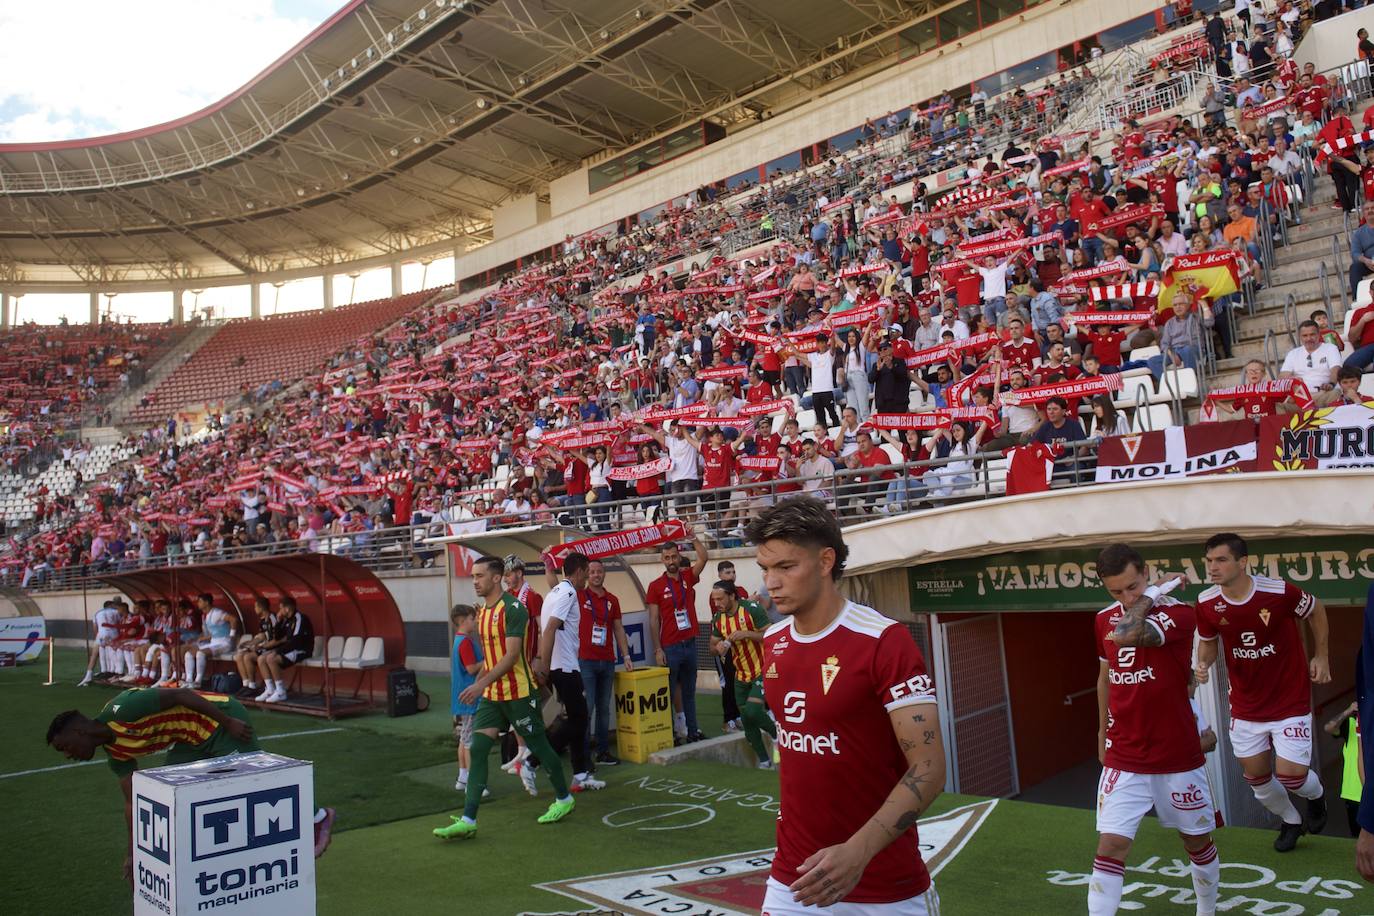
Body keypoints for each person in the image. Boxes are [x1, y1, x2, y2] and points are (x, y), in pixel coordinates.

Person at [750, 497, 946, 912]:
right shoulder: (773, 641)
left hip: (884, 886)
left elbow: (928, 769)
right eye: (765, 569)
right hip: (794, 878)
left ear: (825, 561)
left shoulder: (884, 642)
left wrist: (858, 852)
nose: (772, 582)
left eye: (786, 567)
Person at [45, 687, 336, 882]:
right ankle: (198, 860)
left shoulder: (123, 709)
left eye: (65, 747)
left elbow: (182, 695)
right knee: (169, 795)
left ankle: (318, 817)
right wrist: (134, 854)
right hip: (190, 740)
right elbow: (132, 802)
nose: (68, 755)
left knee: (255, 778)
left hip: (221, 721)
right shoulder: (116, 754)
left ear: (80, 731)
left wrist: (228, 721)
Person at [1090, 544, 1219, 916]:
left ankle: (1206, 910)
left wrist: (1152, 595)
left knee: (1195, 841)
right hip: (1125, 754)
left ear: (1146, 573)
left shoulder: (1179, 614)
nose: (1126, 597)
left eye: (1133, 587)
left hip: (1176, 753)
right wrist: (1102, 735)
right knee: (1111, 844)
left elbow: (1129, 633)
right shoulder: (1101, 620)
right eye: (1116, 591)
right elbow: (1105, 679)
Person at [1194, 532, 1331, 851]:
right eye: (1209, 561)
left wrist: (1321, 655)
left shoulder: (1278, 591)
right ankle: (1291, 820)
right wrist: (1203, 664)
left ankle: (1316, 797)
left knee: (1292, 776)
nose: (1213, 567)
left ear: (1243, 562)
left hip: (1289, 701)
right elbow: (1208, 642)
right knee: (1256, 778)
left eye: (1221, 560)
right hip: (1245, 706)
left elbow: (1315, 609)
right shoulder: (1206, 602)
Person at [433, 556, 575, 840]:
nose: (474, 581)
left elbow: (511, 657)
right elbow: (491, 656)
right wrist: (479, 682)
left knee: (540, 748)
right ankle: (468, 820)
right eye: (473, 576)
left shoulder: (514, 609)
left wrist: (479, 683)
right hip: (492, 695)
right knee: (478, 749)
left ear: (497, 578)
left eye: (479, 576)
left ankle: (563, 798)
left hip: (519, 693)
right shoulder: (483, 612)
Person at [534, 551, 603, 792]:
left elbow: (552, 625)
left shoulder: (556, 591)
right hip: (564, 667)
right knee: (578, 721)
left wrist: (547, 565)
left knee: (576, 720)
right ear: (580, 571)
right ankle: (532, 762)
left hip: (561, 666)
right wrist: (543, 665)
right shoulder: (570, 592)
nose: (588, 577)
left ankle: (580, 775)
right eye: (587, 572)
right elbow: (551, 628)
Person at [646, 531, 709, 744]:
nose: (671, 561)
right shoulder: (655, 586)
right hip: (670, 646)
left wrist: (692, 538)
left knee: (690, 691)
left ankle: (693, 731)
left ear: (678, 555)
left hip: (690, 643)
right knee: (670, 692)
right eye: (667, 558)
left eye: (674, 556)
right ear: (662, 559)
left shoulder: (687, 577)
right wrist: (657, 649)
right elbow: (654, 620)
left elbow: (704, 558)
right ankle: (671, 732)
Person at [709, 582, 776, 767]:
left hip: (761, 670)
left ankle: (777, 736)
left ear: (732, 596)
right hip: (740, 675)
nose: (716, 603)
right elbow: (712, 647)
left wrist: (747, 634)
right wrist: (718, 648)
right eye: (714, 599)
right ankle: (765, 761)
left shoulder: (752, 609)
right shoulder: (718, 619)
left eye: (720, 598)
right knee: (747, 722)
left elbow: (771, 634)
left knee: (754, 711)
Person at [578, 557, 632, 766]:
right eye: (592, 572)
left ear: (604, 573)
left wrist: (625, 655)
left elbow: (618, 629)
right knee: (587, 708)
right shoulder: (579, 595)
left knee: (604, 709)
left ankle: (602, 752)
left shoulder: (612, 599)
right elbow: (554, 586)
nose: (596, 575)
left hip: (607, 660)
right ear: (586, 574)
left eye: (599, 571)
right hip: (585, 661)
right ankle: (582, 755)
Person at [450, 604, 485, 795]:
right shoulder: (465, 642)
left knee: (464, 738)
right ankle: (473, 782)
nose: (475, 622)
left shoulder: (460, 640)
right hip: (470, 696)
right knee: (470, 741)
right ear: (463, 621)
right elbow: (472, 668)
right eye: (472, 619)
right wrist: (488, 661)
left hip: (463, 696)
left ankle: (463, 777)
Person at [254, 596, 314, 704]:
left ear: (287, 609)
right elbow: (277, 637)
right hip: (290, 648)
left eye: (281, 608)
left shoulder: (299, 618)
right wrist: (278, 621)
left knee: (271, 658)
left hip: (301, 650)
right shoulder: (286, 620)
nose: (279, 611)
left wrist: (277, 651)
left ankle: (281, 691)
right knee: (261, 659)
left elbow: (296, 641)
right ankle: (270, 689)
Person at [1323, 700, 1362, 837]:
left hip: (1366, 792)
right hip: (1354, 795)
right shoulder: (1351, 723)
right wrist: (1348, 710)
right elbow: (1329, 727)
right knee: (1358, 838)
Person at [186, 592, 237, 690]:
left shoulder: (217, 613)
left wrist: (232, 636)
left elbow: (233, 619)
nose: (198, 603)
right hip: (214, 642)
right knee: (189, 653)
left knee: (200, 653)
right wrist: (199, 639)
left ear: (207, 602)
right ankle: (189, 680)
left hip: (224, 643)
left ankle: (197, 682)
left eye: (200, 601)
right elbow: (214, 633)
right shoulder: (205, 615)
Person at [1280, 320, 1343, 394]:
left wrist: (1331, 384)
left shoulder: (1330, 348)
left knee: (1334, 393)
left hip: (1324, 392)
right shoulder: (1293, 353)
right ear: (1300, 337)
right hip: (1301, 396)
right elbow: (1282, 375)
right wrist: (1292, 379)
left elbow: (1336, 370)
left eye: (1312, 334)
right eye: (1305, 336)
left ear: (1318, 334)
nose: (1309, 339)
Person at [233, 598, 278, 697]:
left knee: (247, 657)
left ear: (261, 607)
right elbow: (262, 636)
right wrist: (248, 644)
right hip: (266, 647)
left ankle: (253, 686)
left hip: (274, 648)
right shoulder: (262, 620)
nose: (255, 609)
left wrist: (260, 647)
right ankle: (246, 684)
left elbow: (276, 638)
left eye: (255, 607)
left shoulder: (272, 618)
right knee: (240, 655)